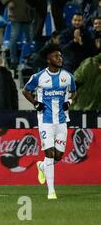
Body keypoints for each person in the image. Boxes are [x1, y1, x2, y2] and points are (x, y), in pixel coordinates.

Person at [22, 44, 76, 200]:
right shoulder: (39, 77)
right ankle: (51, 191)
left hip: (61, 121)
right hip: (45, 120)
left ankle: (41, 166)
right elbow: (25, 90)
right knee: (50, 154)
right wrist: (35, 103)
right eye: (56, 56)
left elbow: (74, 91)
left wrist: (70, 102)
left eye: (60, 56)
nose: (60, 58)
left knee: (58, 156)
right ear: (48, 59)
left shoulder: (67, 76)